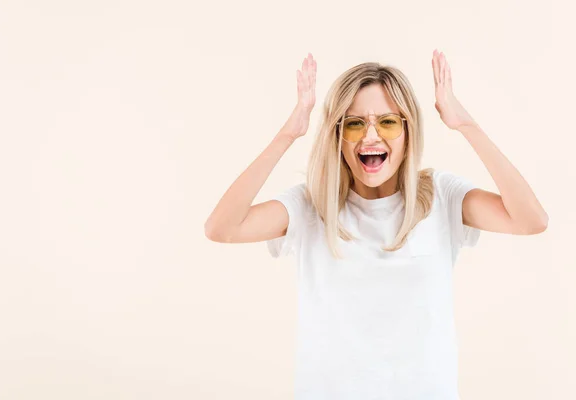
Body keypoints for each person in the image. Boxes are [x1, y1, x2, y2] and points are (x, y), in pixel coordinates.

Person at [204, 50, 548, 399]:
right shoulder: (311, 206)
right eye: (354, 124)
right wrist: (288, 134)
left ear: (407, 131)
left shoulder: (442, 196)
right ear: (338, 136)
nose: (371, 137)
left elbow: (530, 220)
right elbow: (223, 228)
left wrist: (466, 125)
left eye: (387, 122)